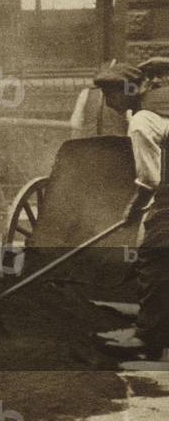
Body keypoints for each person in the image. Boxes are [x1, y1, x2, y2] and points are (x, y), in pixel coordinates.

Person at [93, 60, 168, 360]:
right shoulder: (161, 102)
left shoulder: (142, 120)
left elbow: (150, 180)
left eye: (110, 94)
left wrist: (134, 208)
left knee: (154, 256)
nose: (107, 102)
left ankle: (147, 340)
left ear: (129, 90)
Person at [69, 60, 129, 139]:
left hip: (97, 145)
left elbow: (76, 124)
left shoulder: (86, 93)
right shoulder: (86, 93)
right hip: (106, 145)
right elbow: (75, 125)